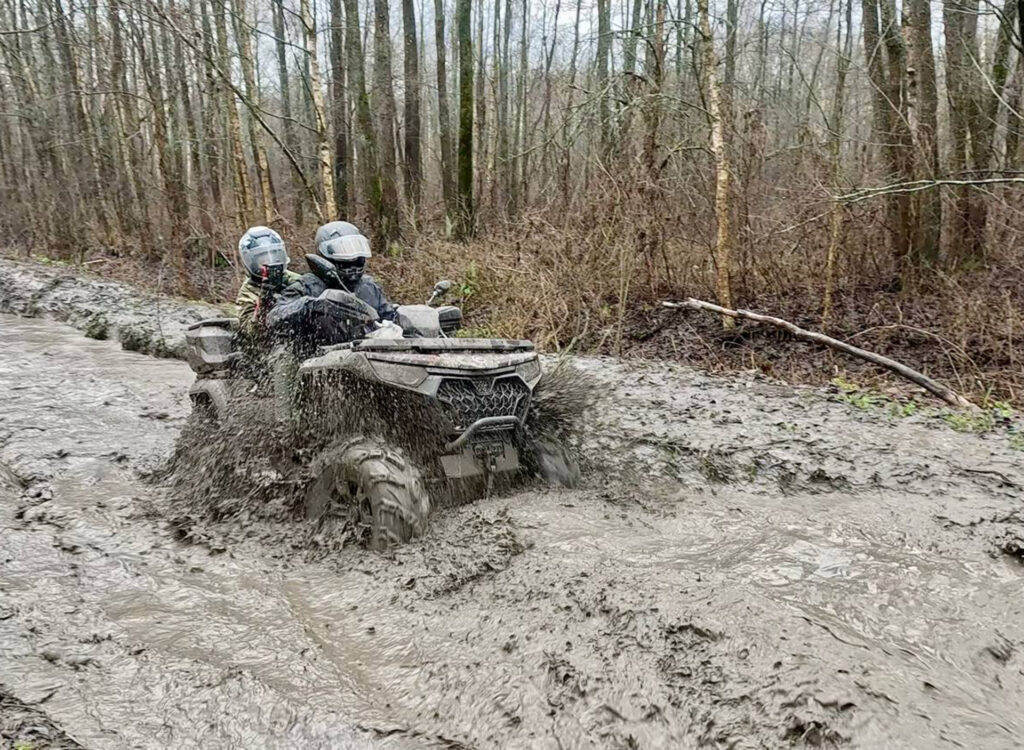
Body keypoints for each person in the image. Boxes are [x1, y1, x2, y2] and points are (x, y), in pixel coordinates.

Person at [278, 221, 397, 323]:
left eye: (356, 257)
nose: (353, 263)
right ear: (325, 256)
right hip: (320, 343)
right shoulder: (307, 286)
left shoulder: (368, 287)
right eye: (345, 257)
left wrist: (402, 317)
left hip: (368, 342)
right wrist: (309, 306)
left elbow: (389, 316)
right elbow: (276, 315)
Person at [235, 225, 302, 339]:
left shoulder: (294, 279)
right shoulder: (247, 293)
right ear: (251, 262)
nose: (270, 263)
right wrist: (265, 299)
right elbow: (250, 332)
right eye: (263, 261)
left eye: (274, 256)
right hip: (272, 342)